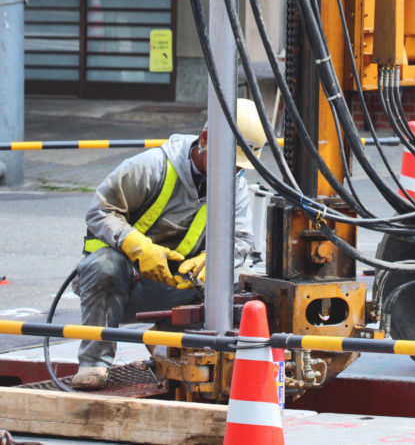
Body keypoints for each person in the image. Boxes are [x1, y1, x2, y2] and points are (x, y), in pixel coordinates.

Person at [70, 99, 267, 390]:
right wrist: (139, 248)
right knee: (104, 266)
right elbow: (101, 210)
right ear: (205, 140)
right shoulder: (151, 166)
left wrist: (208, 263)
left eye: (239, 168)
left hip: (173, 283)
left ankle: (165, 347)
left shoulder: (234, 186)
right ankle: (94, 363)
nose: (233, 174)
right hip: (124, 280)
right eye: (229, 163)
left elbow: (240, 239)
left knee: (221, 283)